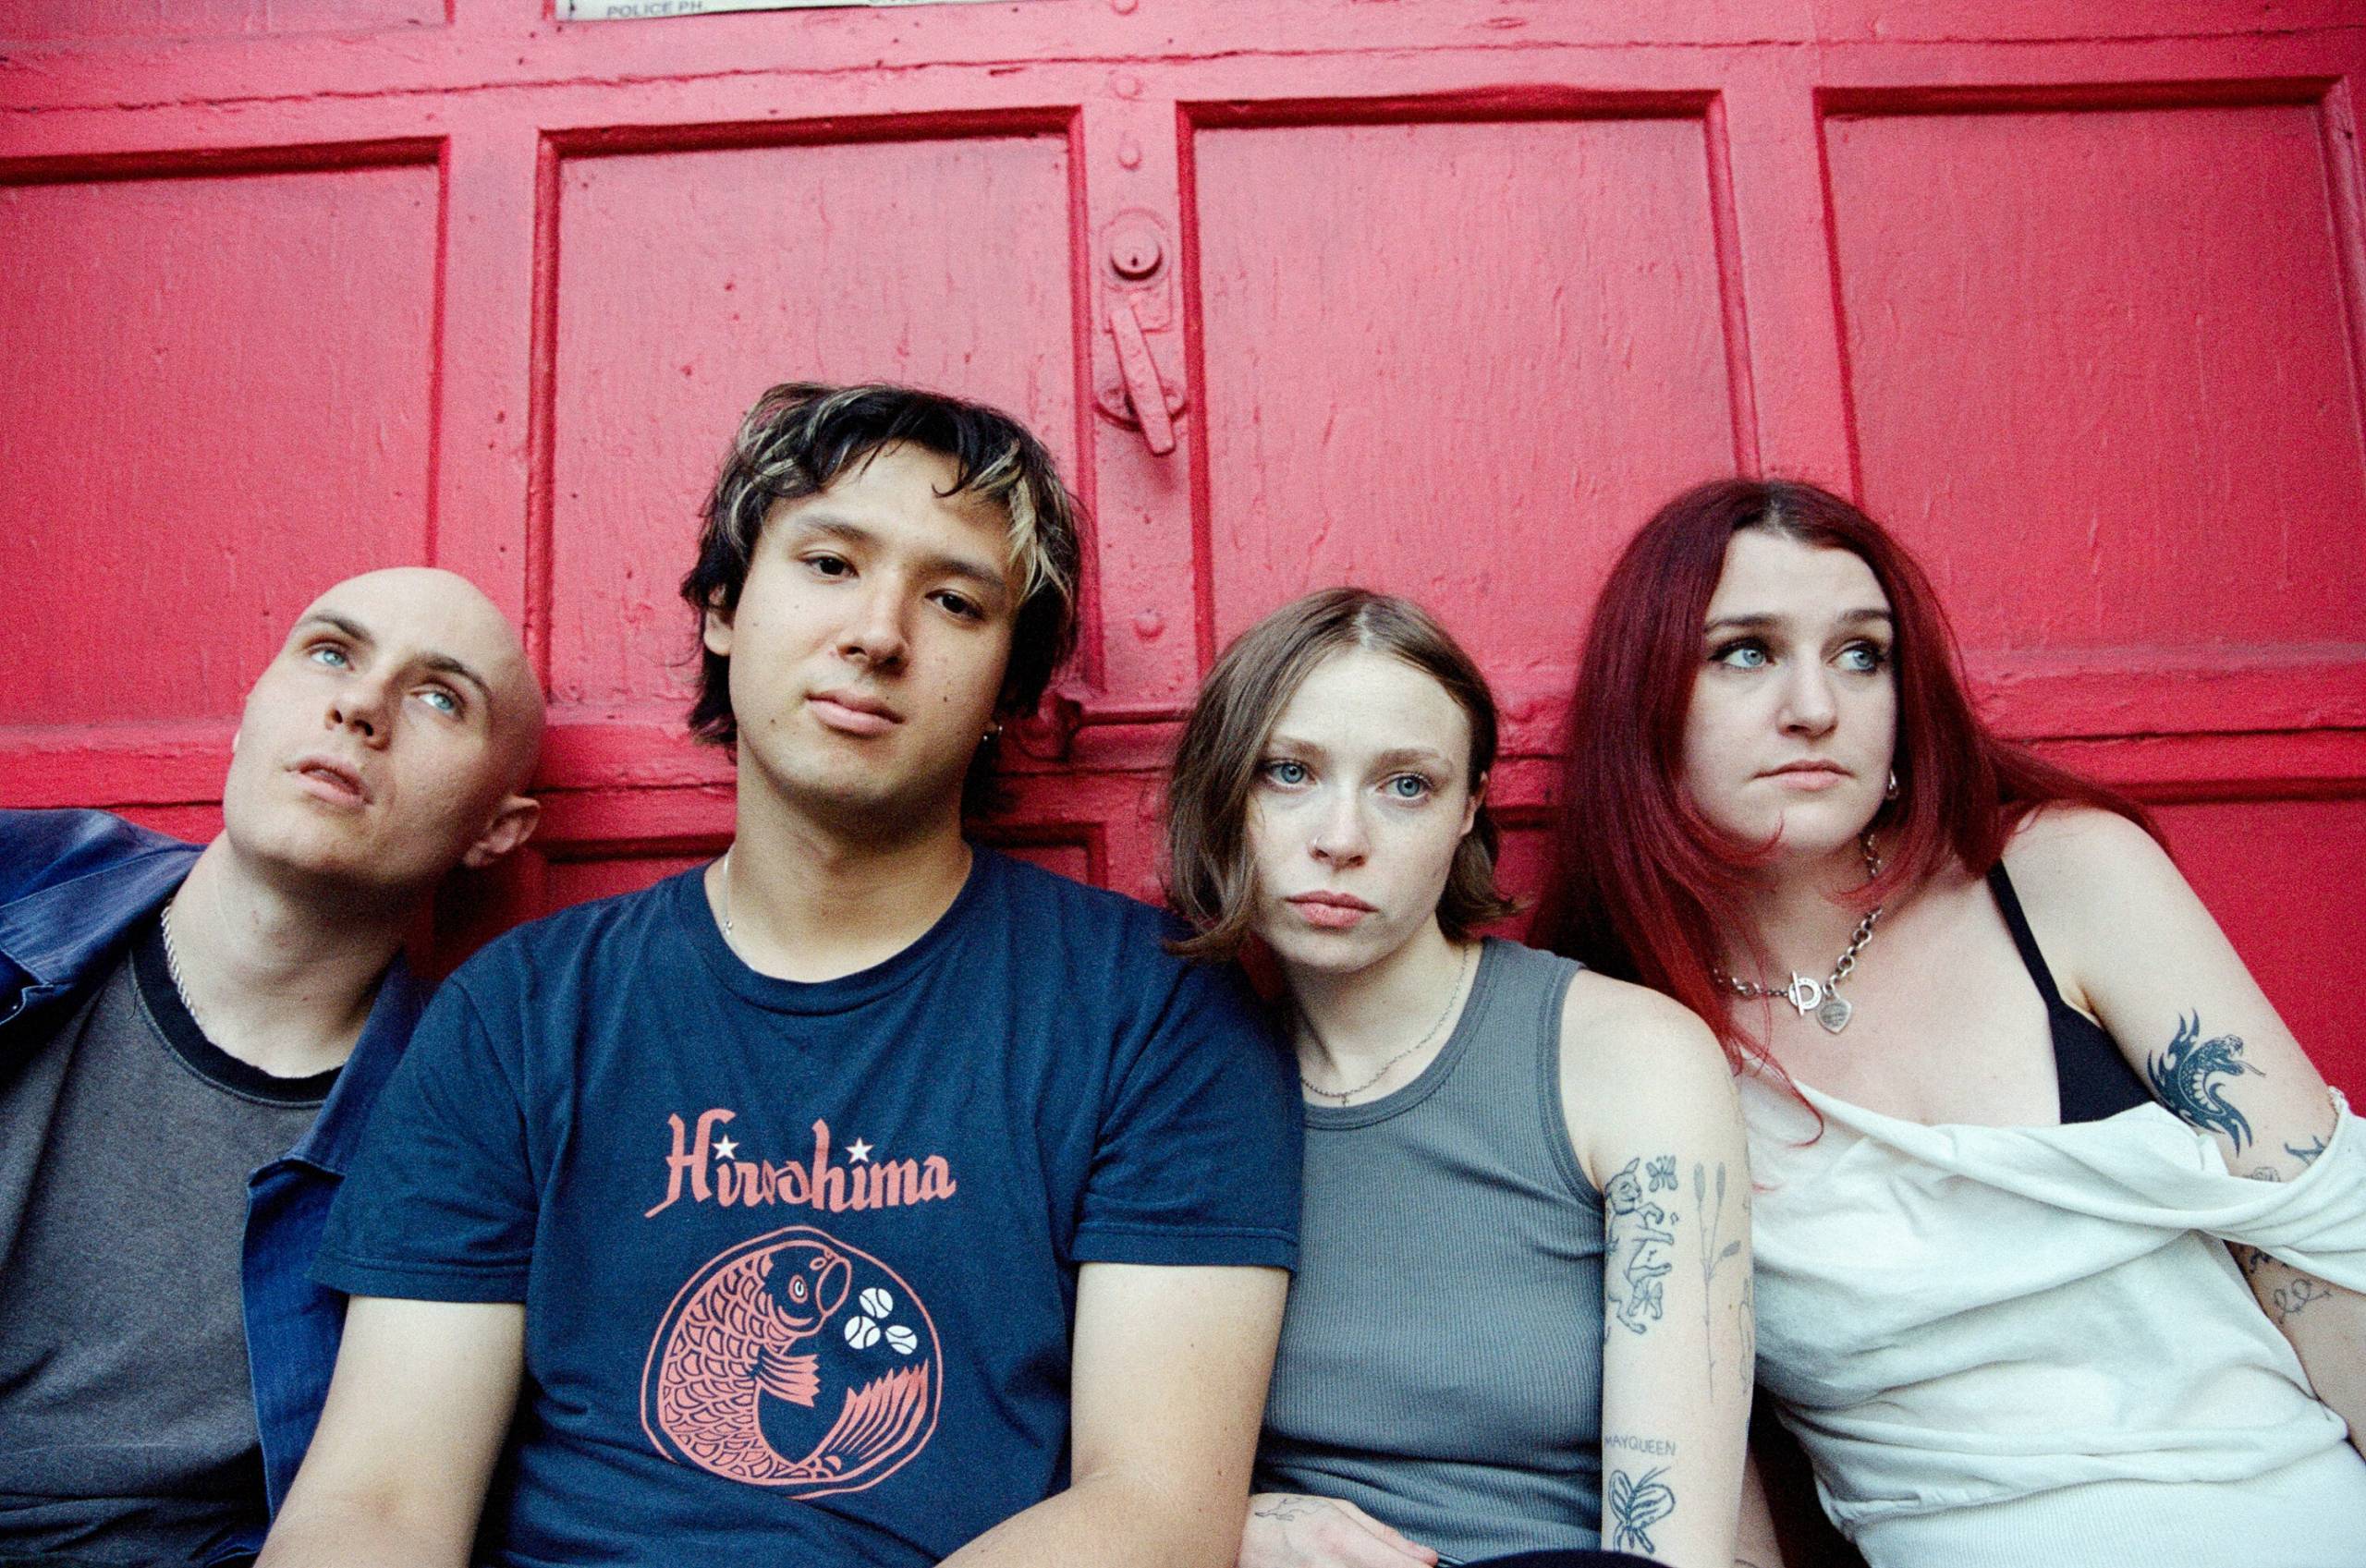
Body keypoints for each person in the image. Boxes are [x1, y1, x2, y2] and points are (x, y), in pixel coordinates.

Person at [259, 383, 1302, 1568]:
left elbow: (1155, 1508)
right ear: (723, 607)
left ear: (1006, 688)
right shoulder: (519, 1012)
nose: (878, 632)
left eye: (955, 600)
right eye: (829, 564)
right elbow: (379, 1500)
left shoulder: (1156, 1011)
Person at [1536, 477, 2366, 1568]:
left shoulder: (2060, 876)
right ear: (1646, 699)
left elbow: (2327, 1255)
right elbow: (1686, 1453)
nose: (1814, 706)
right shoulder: (1623, 1039)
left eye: (1860, 653)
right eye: (1743, 651)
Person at [1164, 589, 1751, 1568]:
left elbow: (1668, 1549)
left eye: (1406, 785)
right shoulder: (1165, 1084)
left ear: (1468, 807)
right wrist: (1231, 1529)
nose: (1340, 836)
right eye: (1289, 772)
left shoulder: (1628, 1056)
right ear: (1225, 790)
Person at [0, 567, 545, 1567]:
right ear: (251, 710)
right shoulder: (18, 886)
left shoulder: (463, 1131)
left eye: (440, 697)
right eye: (331, 653)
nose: (361, 706)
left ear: (495, 830)